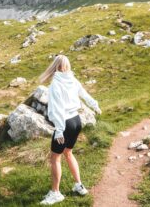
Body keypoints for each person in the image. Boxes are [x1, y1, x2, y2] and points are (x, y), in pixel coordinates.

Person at [39, 54, 102, 205]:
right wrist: (95, 105)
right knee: (68, 152)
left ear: (55, 66)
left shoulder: (55, 84)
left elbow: (58, 110)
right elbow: (84, 94)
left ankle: (55, 193)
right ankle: (79, 185)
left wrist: (59, 130)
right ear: (67, 66)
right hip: (76, 121)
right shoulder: (72, 79)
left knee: (55, 158)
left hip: (65, 123)